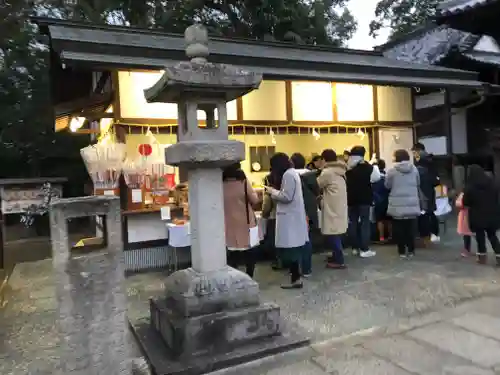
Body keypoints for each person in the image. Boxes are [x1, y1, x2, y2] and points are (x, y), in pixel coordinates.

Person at [266, 152, 309, 289]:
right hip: (292, 217)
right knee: (294, 249)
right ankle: (295, 278)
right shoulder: (292, 173)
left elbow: (287, 196)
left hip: (289, 218)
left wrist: (272, 191)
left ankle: (295, 279)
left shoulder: (288, 175)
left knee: (292, 251)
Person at [222, 162, 259, 277]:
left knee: (233, 253)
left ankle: (234, 277)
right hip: (246, 222)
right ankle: (249, 275)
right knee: (250, 251)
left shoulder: (220, 183)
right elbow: (255, 200)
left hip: (228, 223)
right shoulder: (243, 182)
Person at [385, 149, 421, 258]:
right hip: (412, 203)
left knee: (399, 229)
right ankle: (411, 250)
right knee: (411, 228)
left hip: (397, 205)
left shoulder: (392, 171)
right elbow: (418, 183)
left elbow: (387, 185)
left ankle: (401, 251)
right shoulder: (414, 169)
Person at [345, 145, 380, 258]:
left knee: (353, 223)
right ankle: (364, 249)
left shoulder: (347, 168)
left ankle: (354, 248)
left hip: (350, 199)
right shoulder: (368, 167)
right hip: (365, 199)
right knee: (365, 223)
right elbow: (376, 178)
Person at [462, 164, 500, 265]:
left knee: (480, 237)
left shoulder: (470, 186)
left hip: (477, 216)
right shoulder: (492, 183)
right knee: (492, 235)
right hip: (492, 214)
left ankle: (482, 257)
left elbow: (465, 202)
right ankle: (499, 255)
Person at [317, 149, 348, 269]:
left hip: (331, 206)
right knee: (336, 232)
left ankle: (339, 260)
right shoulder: (341, 170)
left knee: (333, 233)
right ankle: (336, 256)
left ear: (324, 159)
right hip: (339, 205)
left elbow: (317, 184)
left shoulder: (327, 172)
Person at [291, 153, 320, 277]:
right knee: (307, 240)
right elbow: (316, 193)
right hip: (310, 211)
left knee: (295, 241)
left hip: (296, 212)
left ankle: (296, 268)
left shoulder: (290, 176)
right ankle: (307, 268)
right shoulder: (312, 175)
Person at [412, 142, 441, 242]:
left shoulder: (422, 161)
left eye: (414, 151)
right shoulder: (429, 160)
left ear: (419, 151)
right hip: (429, 189)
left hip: (423, 190)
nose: (413, 154)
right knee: (430, 212)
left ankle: (427, 234)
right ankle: (433, 233)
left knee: (425, 212)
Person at [261, 173, 279, 268]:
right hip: (283, 218)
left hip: (273, 218)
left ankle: (277, 261)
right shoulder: (283, 188)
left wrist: (264, 215)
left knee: (273, 242)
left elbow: (266, 208)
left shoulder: (269, 192)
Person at [372, 159, 390, 242]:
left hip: (378, 201)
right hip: (388, 200)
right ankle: (390, 236)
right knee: (389, 220)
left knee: (380, 220)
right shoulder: (387, 176)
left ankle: (381, 237)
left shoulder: (374, 179)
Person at [455, 191, 473, 257]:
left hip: (466, 215)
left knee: (467, 234)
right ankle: (481, 252)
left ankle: (467, 251)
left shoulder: (464, 193)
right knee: (468, 234)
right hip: (469, 215)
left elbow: (458, 204)